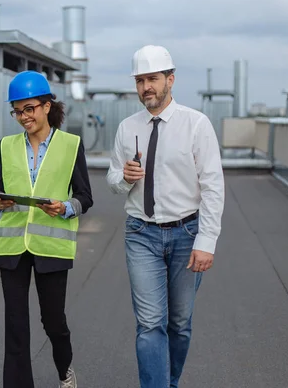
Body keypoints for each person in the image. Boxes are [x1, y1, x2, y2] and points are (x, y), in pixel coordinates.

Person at [106, 45, 225, 388]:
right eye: (140, 80)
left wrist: (207, 241)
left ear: (170, 80)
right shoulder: (128, 128)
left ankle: (169, 382)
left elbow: (213, 187)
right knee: (149, 323)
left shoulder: (196, 124)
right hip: (140, 233)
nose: (146, 87)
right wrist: (123, 178)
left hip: (187, 233)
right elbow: (113, 180)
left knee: (179, 324)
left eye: (153, 79)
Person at [0, 70, 93, 388]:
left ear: (47, 106)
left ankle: (65, 371)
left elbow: (85, 197)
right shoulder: (7, 146)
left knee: (54, 323)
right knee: (15, 324)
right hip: (13, 246)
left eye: (28, 109)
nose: (22, 117)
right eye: (17, 111)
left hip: (52, 246)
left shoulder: (70, 145)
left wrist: (64, 208)